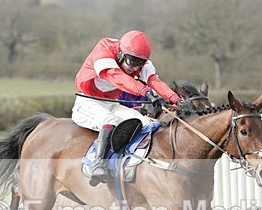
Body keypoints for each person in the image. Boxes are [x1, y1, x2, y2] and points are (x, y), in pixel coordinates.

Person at [72, 30, 188, 185]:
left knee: (145, 122)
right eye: (132, 62)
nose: (135, 68)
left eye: (139, 63)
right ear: (120, 53)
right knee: (110, 120)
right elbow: (119, 78)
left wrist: (177, 100)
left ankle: (133, 163)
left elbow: (154, 81)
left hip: (111, 103)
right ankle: (98, 164)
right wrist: (145, 91)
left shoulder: (141, 63)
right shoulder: (104, 50)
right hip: (87, 102)